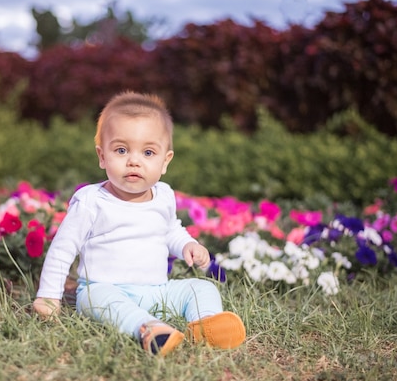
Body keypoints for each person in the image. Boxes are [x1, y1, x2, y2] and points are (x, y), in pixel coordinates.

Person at [33, 91, 246, 356]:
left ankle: (206, 324)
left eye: (148, 152)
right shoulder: (91, 200)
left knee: (200, 286)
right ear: (102, 157)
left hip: (157, 291)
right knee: (97, 301)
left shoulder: (163, 195)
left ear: (165, 161)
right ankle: (148, 328)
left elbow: (169, 229)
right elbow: (63, 249)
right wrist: (49, 295)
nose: (134, 160)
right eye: (121, 150)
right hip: (104, 288)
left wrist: (187, 244)